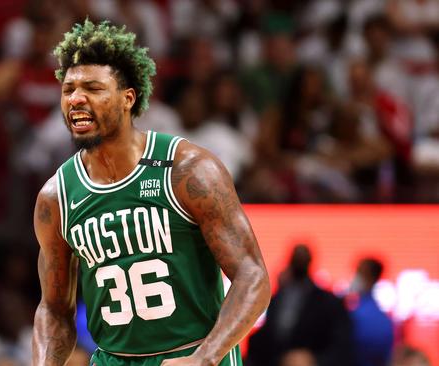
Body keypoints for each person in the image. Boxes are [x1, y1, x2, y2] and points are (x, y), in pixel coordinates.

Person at [32, 19, 271, 365]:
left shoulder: (188, 171)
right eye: (69, 90)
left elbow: (253, 277)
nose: (77, 99)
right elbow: (54, 309)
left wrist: (205, 357)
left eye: (93, 88)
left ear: (128, 98)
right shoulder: (57, 197)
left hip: (193, 355)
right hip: (114, 358)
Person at [246, 244, 356, 366]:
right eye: (297, 257)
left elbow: (342, 344)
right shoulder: (278, 298)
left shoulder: (329, 302)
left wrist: (315, 360)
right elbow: (265, 338)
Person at [348, 257, 394, 366]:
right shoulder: (384, 320)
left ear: (370, 277)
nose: (355, 277)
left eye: (359, 272)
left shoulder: (360, 316)